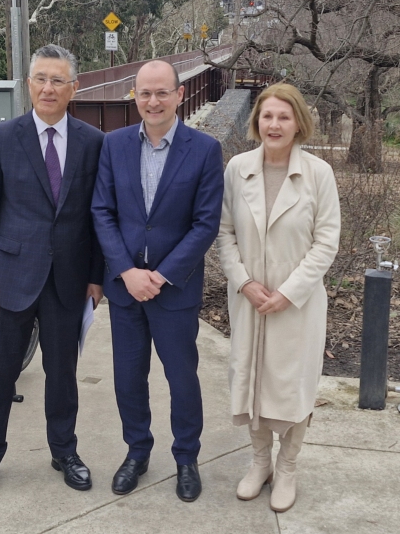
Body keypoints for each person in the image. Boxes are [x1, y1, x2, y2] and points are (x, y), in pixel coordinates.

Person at [0, 44, 104, 505]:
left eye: (57, 80)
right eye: (40, 78)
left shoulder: (92, 141)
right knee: (0, 374)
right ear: (28, 85)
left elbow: (98, 216)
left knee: (62, 374)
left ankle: (64, 452)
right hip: (9, 281)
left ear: (73, 88)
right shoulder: (2, 138)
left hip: (68, 280)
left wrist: (96, 276)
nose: (48, 88)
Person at [91, 60, 224, 502]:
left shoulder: (204, 149)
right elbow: (102, 212)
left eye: (161, 92)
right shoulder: (113, 146)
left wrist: (162, 276)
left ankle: (187, 458)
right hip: (126, 289)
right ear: (135, 96)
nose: (153, 101)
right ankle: (137, 452)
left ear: (179, 95)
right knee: (129, 378)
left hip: (175, 292)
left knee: (182, 378)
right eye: (144, 93)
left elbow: (204, 225)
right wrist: (127, 272)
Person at [216, 82, 340, 513]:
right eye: (267, 116)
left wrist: (289, 292)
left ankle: (287, 468)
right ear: (257, 122)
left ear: (298, 123)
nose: (274, 124)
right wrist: (244, 282)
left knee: (291, 385)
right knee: (250, 379)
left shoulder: (318, 174)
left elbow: (327, 243)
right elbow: (225, 233)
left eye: (284, 117)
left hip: (297, 305)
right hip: (249, 299)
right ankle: (259, 463)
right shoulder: (238, 168)